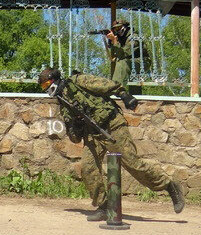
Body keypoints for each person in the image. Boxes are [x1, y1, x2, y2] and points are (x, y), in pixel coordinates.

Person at [38, 67, 184, 218]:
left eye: (46, 84)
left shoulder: (78, 81)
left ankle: (169, 185)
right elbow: (74, 137)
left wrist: (124, 95)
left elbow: (106, 85)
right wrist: (77, 124)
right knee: (88, 168)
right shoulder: (63, 103)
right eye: (43, 87)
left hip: (112, 125)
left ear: (54, 79)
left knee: (133, 164)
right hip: (93, 134)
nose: (46, 88)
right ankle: (104, 206)